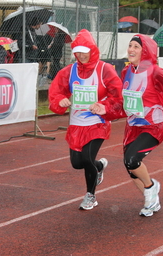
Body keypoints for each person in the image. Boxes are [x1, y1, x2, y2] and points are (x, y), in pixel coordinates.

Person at [91, 34, 163, 217]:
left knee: (132, 160)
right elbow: (123, 101)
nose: (131, 49)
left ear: (145, 50)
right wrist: (105, 108)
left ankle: (151, 187)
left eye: (136, 46)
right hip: (132, 126)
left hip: (152, 126)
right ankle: (152, 201)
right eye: (130, 45)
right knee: (131, 167)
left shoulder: (155, 72)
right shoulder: (126, 72)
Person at [48, 29, 123, 210]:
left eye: (85, 51)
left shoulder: (104, 70)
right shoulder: (69, 71)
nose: (81, 55)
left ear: (92, 50)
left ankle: (91, 196)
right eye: (78, 51)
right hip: (76, 123)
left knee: (87, 158)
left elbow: (118, 96)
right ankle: (99, 166)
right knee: (77, 163)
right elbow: (56, 92)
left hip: (97, 122)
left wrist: (104, 106)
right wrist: (61, 100)